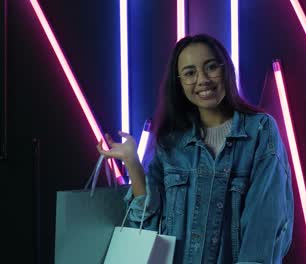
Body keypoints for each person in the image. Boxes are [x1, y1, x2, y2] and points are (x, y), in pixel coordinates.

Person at [97, 34, 294, 264]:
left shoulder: (260, 131)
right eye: (190, 73)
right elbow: (147, 222)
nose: (203, 80)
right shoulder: (170, 142)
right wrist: (132, 162)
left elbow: (266, 223)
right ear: (179, 83)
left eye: (211, 67)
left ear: (226, 70)